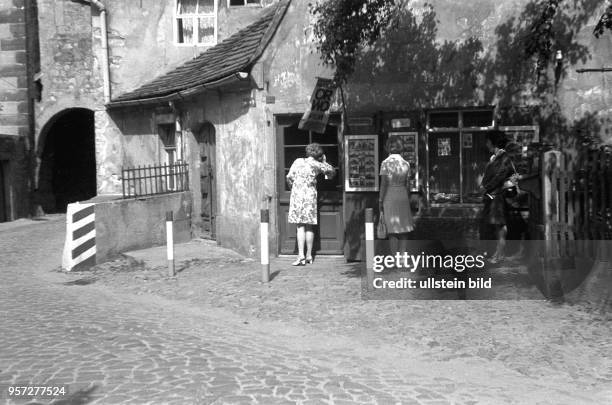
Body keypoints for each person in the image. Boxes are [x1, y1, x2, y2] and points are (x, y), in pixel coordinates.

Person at [286, 143, 335, 266]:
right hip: (310, 197)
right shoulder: (317, 165)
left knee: (300, 226)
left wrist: (294, 187)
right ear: (318, 154)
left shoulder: (298, 161)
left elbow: (289, 178)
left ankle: (301, 255)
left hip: (297, 195)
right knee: (309, 226)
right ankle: (309, 256)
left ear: (308, 152)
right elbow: (331, 173)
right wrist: (324, 161)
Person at [480, 130, 514, 264]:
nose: (486, 143)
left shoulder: (503, 157)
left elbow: (500, 175)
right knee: (495, 224)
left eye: (488, 140)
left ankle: (500, 254)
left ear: (493, 142)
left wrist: (486, 186)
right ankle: (498, 252)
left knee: (500, 224)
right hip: (492, 195)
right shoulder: (494, 157)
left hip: (498, 194)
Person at [379, 135, 415, 258]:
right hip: (403, 195)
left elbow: (384, 184)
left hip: (390, 196)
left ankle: (395, 258)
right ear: (401, 147)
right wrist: (408, 198)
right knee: (404, 228)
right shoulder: (406, 164)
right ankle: (403, 256)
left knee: (392, 230)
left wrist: (380, 200)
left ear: (388, 147)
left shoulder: (385, 163)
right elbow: (408, 185)